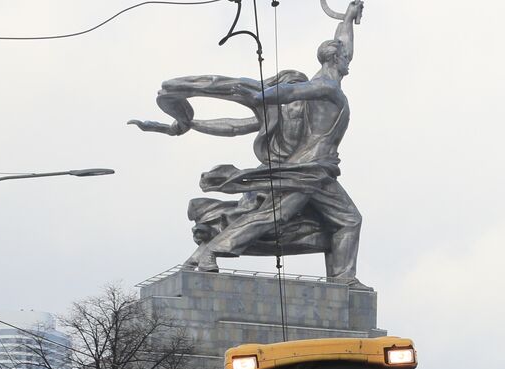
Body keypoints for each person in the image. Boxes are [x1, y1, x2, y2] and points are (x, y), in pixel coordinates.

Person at [130, 1, 367, 284]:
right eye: (344, 58)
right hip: (310, 170)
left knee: (334, 219)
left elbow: (343, 44)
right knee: (282, 216)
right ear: (335, 60)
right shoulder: (324, 87)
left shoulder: (330, 78)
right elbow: (289, 93)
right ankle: (213, 250)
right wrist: (261, 96)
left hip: (319, 170)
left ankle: (342, 278)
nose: (348, 60)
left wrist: (349, 18)